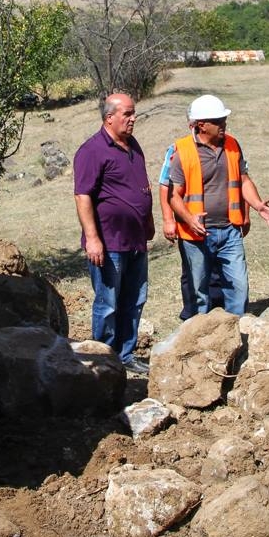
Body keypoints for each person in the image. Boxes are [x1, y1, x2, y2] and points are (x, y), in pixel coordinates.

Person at [166, 94, 269, 316]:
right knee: (199, 293)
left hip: (230, 231)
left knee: (239, 287)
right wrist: (189, 219)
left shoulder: (232, 145)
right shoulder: (183, 152)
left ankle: (236, 330)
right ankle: (200, 334)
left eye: (224, 120)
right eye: (218, 121)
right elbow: (173, 195)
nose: (223, 124)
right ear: (201, 125)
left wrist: (257, 205)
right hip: (196, 235)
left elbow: (243, 180)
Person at [73, 93, 155, 374]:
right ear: (109, 118)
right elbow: (83, 196)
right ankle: (104, 359)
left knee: (134, 300)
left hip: (135, 240)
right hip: (109, 243)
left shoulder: (133, 145)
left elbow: (142, 187)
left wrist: (148, 221)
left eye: (134, 113)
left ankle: (126, 354)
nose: (133, 119)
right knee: (108, 303)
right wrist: (92, 238)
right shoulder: (92, 150)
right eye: (127, 114)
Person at [158, 143, 227, 319]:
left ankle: (218, 315)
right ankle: (192, 318)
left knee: (217, 272)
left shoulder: (226, 146)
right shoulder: (178, 149)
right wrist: (168, 220)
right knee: (193, 273)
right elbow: (165, 185)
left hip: (220, 226)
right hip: (190, 229)